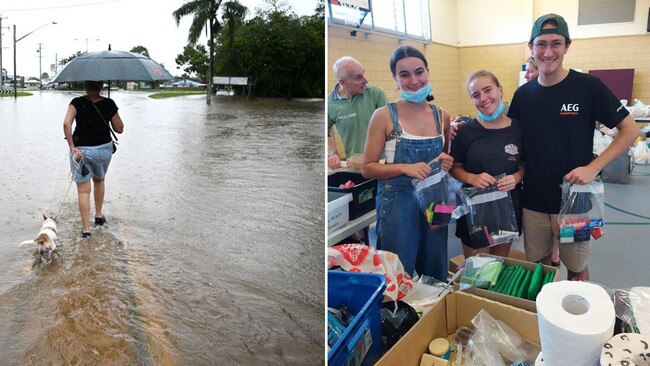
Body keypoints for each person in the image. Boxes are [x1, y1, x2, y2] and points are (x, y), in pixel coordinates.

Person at [508, 14, 639, 281]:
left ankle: (576, 319)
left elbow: (630, 130)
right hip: (533, 200)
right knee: (538, 268)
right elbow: (510, 139)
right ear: (531, 47)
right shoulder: (523, 95)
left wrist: (594, 167)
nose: (548, 52)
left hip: (575, 201)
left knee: (576, 268)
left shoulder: (588, 87)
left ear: (567, 46)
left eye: (556, 44)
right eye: (541, 44)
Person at [361, 45, 453, 281]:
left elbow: (444, 158)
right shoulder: (383, 115)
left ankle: (432, 315)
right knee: (397, 272)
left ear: (428, 72)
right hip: (397, 202)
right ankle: (398, 316)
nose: (414, 80)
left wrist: (444, 162)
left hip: (435, 199)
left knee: (435, 267)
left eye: (419, 72)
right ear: (395, 78)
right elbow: (367, 167)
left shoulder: (442, 116)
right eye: (404, 74)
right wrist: (405, 167)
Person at [450, 70, 524, 259]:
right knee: (476, 273)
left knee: (497, 267)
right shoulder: (465, 131)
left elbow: (525, 165)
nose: (483, 98)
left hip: (506, 210)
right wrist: (472, 178)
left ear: (500, 90)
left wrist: (515, 178)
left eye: (487, 90)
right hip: (474, 211)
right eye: (476, 95)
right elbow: (454, 167)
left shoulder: (518, 128)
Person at [63, 80, 124, 238]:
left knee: (83, 190)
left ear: (85, 86)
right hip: (103, 149)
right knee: (99, 180)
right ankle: (98, 216)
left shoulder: (76, 102)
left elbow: (66, 124)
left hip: (80, 151)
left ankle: (86, 230)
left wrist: (71, 146)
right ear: (101, 86)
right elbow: (120, 129)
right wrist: (109, 110)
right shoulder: (109, 103)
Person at [328, 56, 388, 170]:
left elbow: (389, 129)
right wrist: (332, 153)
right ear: (343, 82)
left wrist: (366, 157)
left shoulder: (376, 94)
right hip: (355, 167)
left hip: (383, 164)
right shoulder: (329, 104)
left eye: (363, 74)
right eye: (359, 77)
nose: (366, 81)